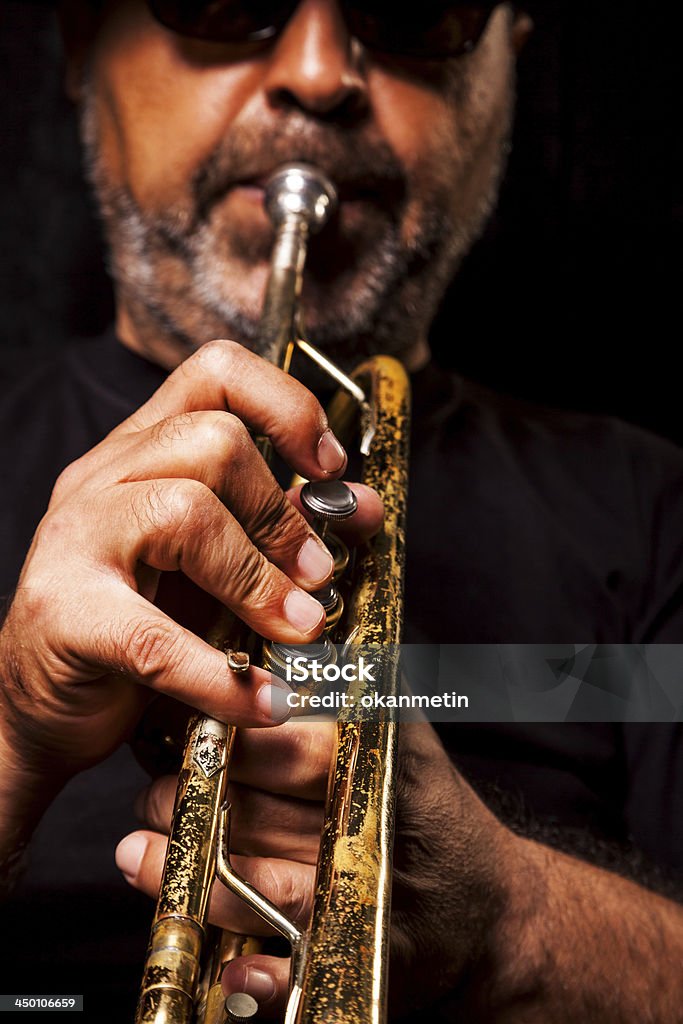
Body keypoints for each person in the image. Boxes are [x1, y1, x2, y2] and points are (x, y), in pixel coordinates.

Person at [1, 1, 682, 1021]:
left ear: (508, 70)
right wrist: (11, 747)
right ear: (78, 44)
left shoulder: (652, 504)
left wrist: (507, 920)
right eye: (227, 0)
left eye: (420, 9)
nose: (318, 74)